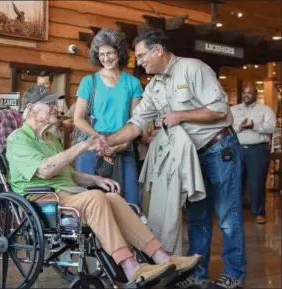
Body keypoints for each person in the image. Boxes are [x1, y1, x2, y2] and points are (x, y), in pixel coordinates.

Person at [6, 85, 202, 286]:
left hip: (68, 195)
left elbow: (71, 175)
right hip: (44, 201)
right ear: (30, 109)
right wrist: (82, 145)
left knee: (113, 197)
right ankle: (129, 266)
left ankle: (163, 258)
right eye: (49, 103)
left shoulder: (51, 139)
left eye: (54, 103)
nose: (55, 107)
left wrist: (97, 180)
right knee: (96, 198)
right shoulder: (18, 139)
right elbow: (45, 170)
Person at [104, 29, 246, 289]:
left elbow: (219, 109)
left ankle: (234, 274)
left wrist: (180, 115)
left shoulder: (193, 68)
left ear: (158, 50)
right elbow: (137, 123)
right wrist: (107, 141)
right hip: (190, 157)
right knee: (196, 218)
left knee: (228, 216)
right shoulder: (155, 85)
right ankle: (198, 274)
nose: (140, 61)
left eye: (143, 55)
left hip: (218, 149)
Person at [74, 28, 142, 205]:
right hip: (93, 149)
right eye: (101, 54)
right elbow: (78, 118)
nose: (106, 58)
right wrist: (99, 139)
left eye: (110, 53)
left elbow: (135, 121)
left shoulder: (133, 83)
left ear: (119, 52)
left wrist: (122, 144)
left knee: (130, 203)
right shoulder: (89, 82)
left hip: (124, 149)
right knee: (91, 203)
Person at [231, 85, 276, 224]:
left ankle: (259, 213)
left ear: (255, 94)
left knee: (257, 182)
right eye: (245, 93)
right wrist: (239, 127)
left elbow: (272, 126)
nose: (247, 95)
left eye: (250, 93)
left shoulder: (265, 109)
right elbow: (226, 127)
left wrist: (254, 126)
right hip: (237, 149)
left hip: (257, 150)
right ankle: (235, 213)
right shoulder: (233, 110)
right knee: (235, 182)